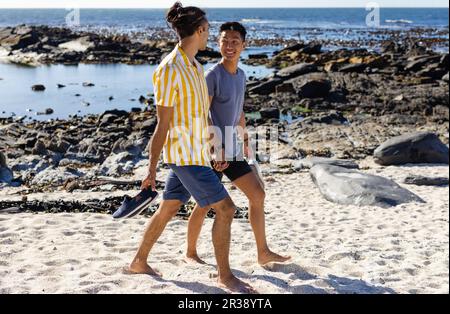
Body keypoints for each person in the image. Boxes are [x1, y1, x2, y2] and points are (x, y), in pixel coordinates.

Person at [123, 2, 256, 294]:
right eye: (208, 29)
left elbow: (202, 114)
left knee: (169, 207)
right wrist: (150, 170)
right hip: (183, 155)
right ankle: (225, 277)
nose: (210, 35)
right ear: (200, 30)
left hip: (197, 153)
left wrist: (215, 148)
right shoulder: (169, 69)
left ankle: (138, 261)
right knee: (227, 209)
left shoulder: (196, 66)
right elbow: (162, 124)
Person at [185, 22, 291, 267]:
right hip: (213, 151)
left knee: (258, 194)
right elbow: (203, 113)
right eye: (224, 41)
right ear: (218, 43)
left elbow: (238, 112)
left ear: (244, 45)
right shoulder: (212, 75)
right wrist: (215, 147)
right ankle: (190, 252)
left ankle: (263, 252)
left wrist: (245, 141)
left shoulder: (241, 75)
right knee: (203, 204)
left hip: (232, 149)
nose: (229, 46)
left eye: (234, 41)